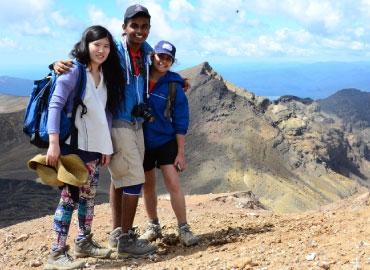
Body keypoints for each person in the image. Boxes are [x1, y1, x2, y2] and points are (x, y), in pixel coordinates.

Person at [52, 4, 157, 258]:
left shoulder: (145, 52)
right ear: (124, 28)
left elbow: (161, 66)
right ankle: (123, 240)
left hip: (131, 125)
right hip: (112, 125)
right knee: (132, 179)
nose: (139, 31)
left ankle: (111, 234)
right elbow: (80, 60)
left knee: (113, 182)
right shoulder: (114, 51)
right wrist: (55, 64)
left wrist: (179, 80)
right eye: (134, 26)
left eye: (144, 26)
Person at [44, 25, 125, 270]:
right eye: (96, 45)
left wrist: (106, 146)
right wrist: (54, 144)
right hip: (72, 148)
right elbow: (55, 107)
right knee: (69, 199)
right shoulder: (73, 72)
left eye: (106, 46)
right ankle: (56, 254)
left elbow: (105, 114)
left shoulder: (105, 77)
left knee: (88, 198)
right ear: (86, 45)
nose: (101, 50)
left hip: (93, 149)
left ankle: (84, 241)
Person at [140, 41, 199, 246]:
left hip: (166, 140)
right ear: (152, 56)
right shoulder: (140, 77)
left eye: (168, 58)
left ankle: (184, 228)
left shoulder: (175, 85)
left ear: (172, 61)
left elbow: (181, 121)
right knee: (148, 186)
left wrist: (180, 153)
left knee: (173, 183)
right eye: (160, 56)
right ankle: (153, 226)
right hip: (142, 141)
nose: (163, 61)